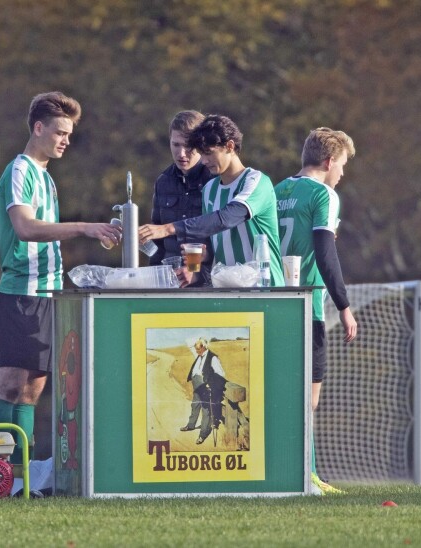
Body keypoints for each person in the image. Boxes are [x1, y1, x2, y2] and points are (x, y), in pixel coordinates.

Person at [0, 91, 121, 465]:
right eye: (60, 132)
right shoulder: (20, 171)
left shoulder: (45, 177)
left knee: (32, 390)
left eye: (69, 135)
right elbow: (25, 228)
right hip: (22, 292)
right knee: (9, 383)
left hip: (48, 292)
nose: (65, 141)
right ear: (38, 127)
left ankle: (16, 474)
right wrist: (84, 228)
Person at [274, 127, 359, 495]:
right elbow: (325, 253)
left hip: (272, 303)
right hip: (307, 307)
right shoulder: (324, 194)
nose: (341, 173)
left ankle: (299, 473)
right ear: (328, 162)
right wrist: (344, 305)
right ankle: (304, 476)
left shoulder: (277, 191)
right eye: (341, 165)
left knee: (278, 392)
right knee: (308, 398)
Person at [139, 114, 284, 287]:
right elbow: (216, 237)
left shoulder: (257, 181)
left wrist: (169, 228)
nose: (204, 160)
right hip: (227, 291)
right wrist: (205, 256)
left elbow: (226, 218)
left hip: (266, 290)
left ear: (229, 146)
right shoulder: (209, 189)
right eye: (201, 154)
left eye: (208, 153)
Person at [148, 110, 215, 287]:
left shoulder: (216, 180)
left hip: (210, 286)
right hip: (169, 283)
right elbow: (158, 244)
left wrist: (199, 276)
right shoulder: (163, 181)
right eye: (176, 145)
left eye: (189, 147)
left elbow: (227, 243)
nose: (182, 153)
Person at [181, 337, 227, 445]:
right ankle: (190, 425)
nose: (196, 351)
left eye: (198, 349)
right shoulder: (199, 354)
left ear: (204, 347)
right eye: (196, 349)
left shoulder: (213, 358)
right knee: (195, 405)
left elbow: (220, 374)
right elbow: (189, 343)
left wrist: (211, 385)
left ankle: (202, 435)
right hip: (197, 386)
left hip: (205, 386)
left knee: (206, 411)